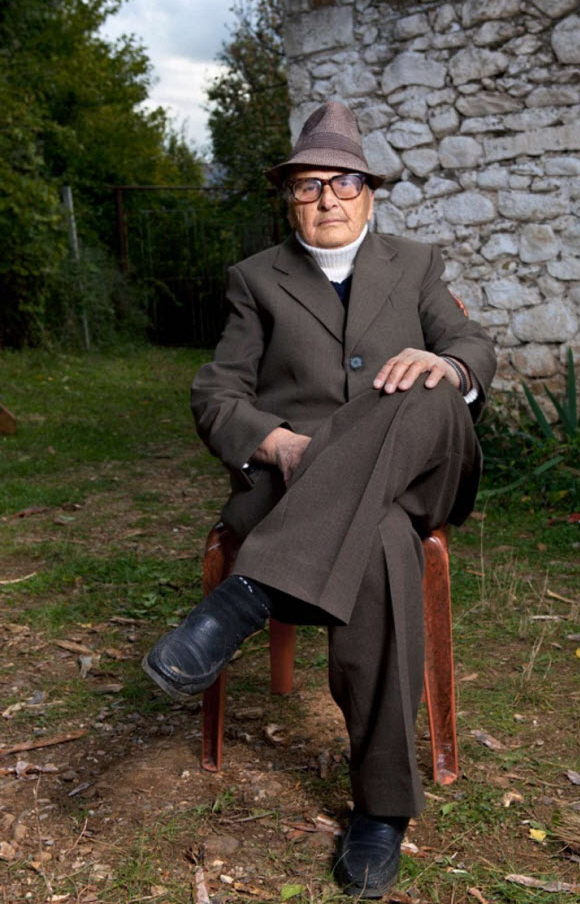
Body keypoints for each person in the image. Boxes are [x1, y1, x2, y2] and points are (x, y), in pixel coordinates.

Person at [143, 101, 497, 899]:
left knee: (427, 381)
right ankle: (382, 809)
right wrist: (279, 445)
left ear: (369, 193)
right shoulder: (256, 280)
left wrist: (447, 365)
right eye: (309, 185)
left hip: (420, 466)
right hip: (302, 487)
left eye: (344, 182)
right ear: (289, 199)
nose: (328, 198)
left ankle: (247, 595)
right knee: (379, 544)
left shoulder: (417, 264)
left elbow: (472, 345)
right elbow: (216, 395)